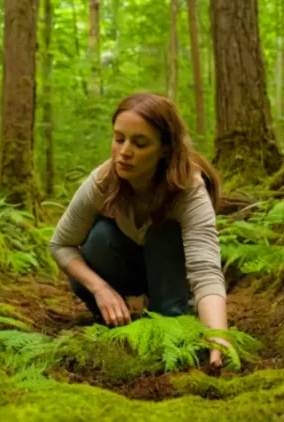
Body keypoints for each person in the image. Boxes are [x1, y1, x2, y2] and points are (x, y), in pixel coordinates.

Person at [49, 92, 230, 366]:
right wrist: (100, 289)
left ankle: (171, 321)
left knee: (162, 229)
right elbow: (60, 244)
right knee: (97, 240)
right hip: (125, 270)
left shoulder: (188, 189)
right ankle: (122, 316)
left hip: (170, 271)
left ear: (165, 149)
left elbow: (206, 272)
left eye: (140, 143)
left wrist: (219, 338)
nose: (124, 152)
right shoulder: (102, 180)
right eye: (119, 139)